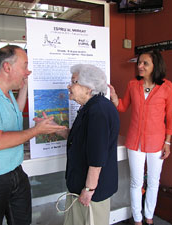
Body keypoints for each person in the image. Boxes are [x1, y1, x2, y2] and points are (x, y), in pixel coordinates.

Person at [0, 45, 66, 225]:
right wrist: (36, 131)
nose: (28, 71)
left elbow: (16, 110)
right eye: (24, 65)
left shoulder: (4, 92)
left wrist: (25, 86)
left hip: (13, 172)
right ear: (7, 67)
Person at [38, 64, 120, 225]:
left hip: (91, 193)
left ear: (88, 88)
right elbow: (81, 139)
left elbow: (97, 158)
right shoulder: (91, 107)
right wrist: (55, 128)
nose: (69, 86)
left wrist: (88, 190)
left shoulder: (98, 111)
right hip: (80, 187)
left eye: (74, 82)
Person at [109, 49, 172, 225]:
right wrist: (115, 97)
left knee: (153, 182)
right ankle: (137, 219)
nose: (140, 66)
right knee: (136, 182)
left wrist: (168, 142)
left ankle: (149, 217)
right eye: (139, 62)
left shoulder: (168, 87)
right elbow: (123, 107)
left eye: (145, 63)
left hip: (157, 142)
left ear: (155, 66)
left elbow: (170, 118)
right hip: (135, 141)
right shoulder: (133, 85)